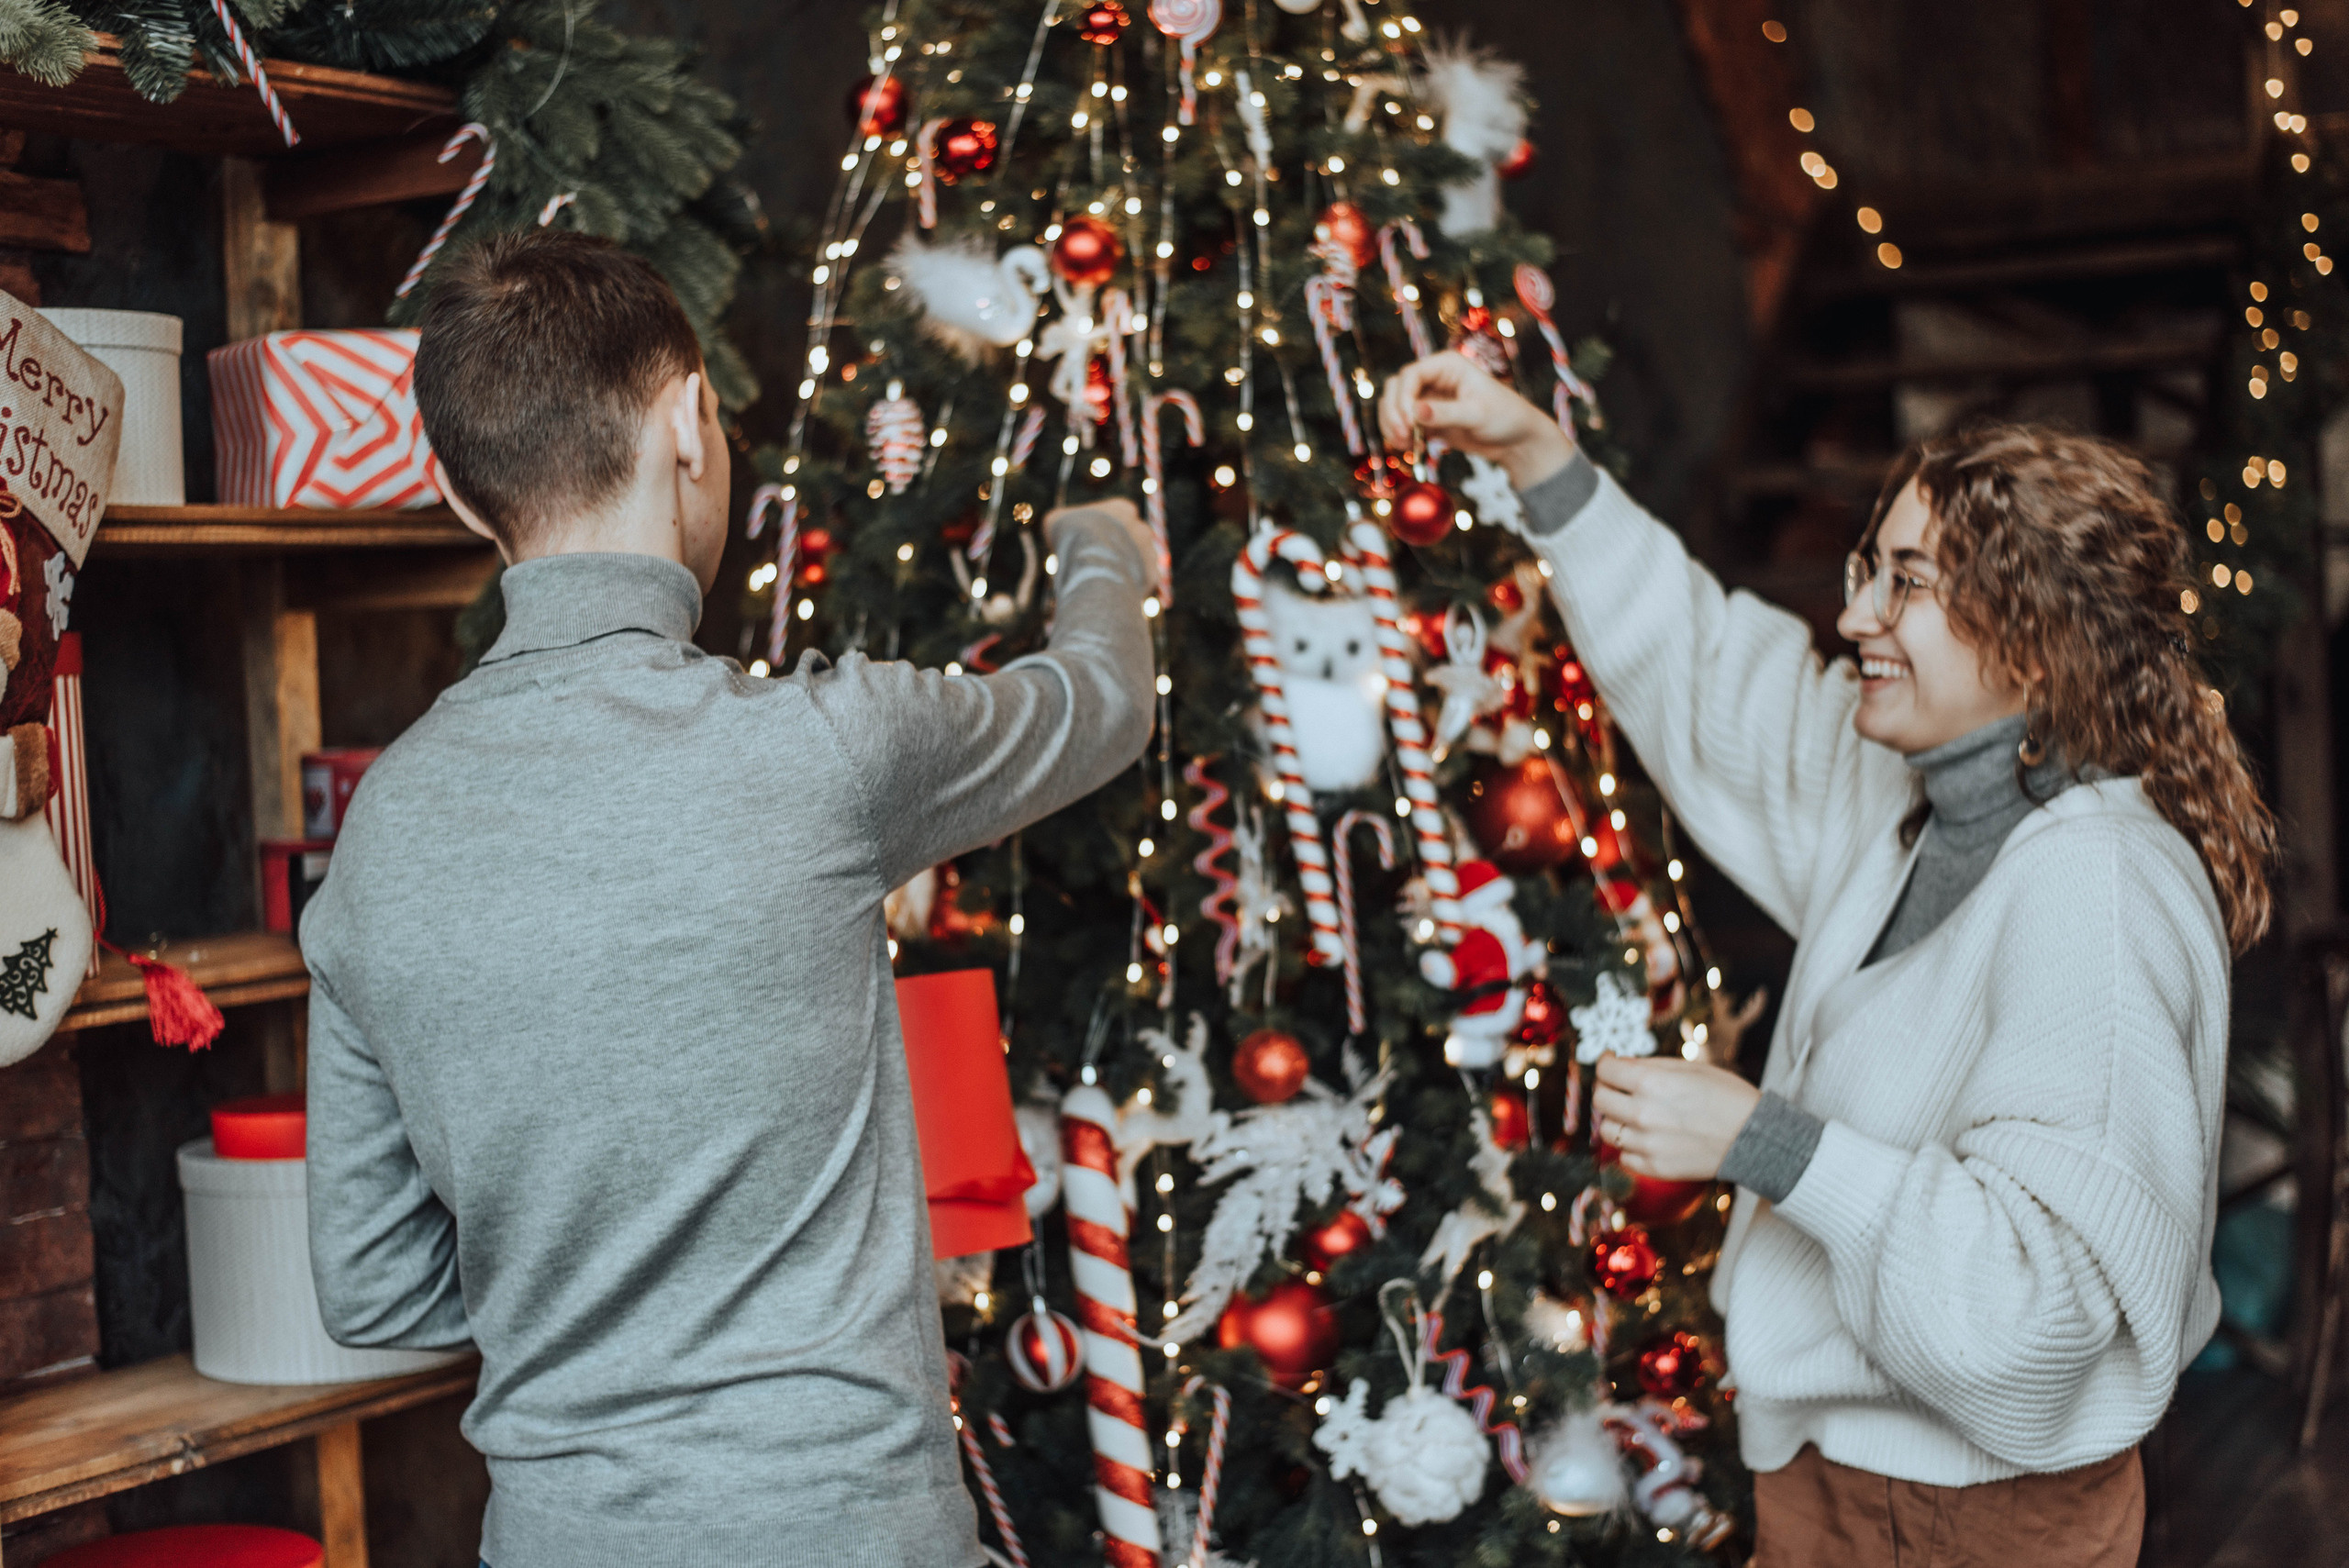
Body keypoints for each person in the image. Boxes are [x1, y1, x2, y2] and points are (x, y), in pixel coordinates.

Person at [302, 231, 1160, 1568]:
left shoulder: (378, 841)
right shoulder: (824, 748)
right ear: (688, 422)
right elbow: (1101, 707)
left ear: (469, 503)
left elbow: (374, 1288)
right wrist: (1100, 545)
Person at [1380, 350, 2269, 1567]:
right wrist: (1537, 455)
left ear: (2035, 631)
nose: (1855, 616)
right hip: (1834, 1487)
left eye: (1905, 583)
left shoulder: (2097, 893)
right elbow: (1708, 674)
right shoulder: (1908, 801)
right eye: (1868, 570)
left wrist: (1766, 1144)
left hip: (1964, 1523)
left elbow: (2042, 1306)